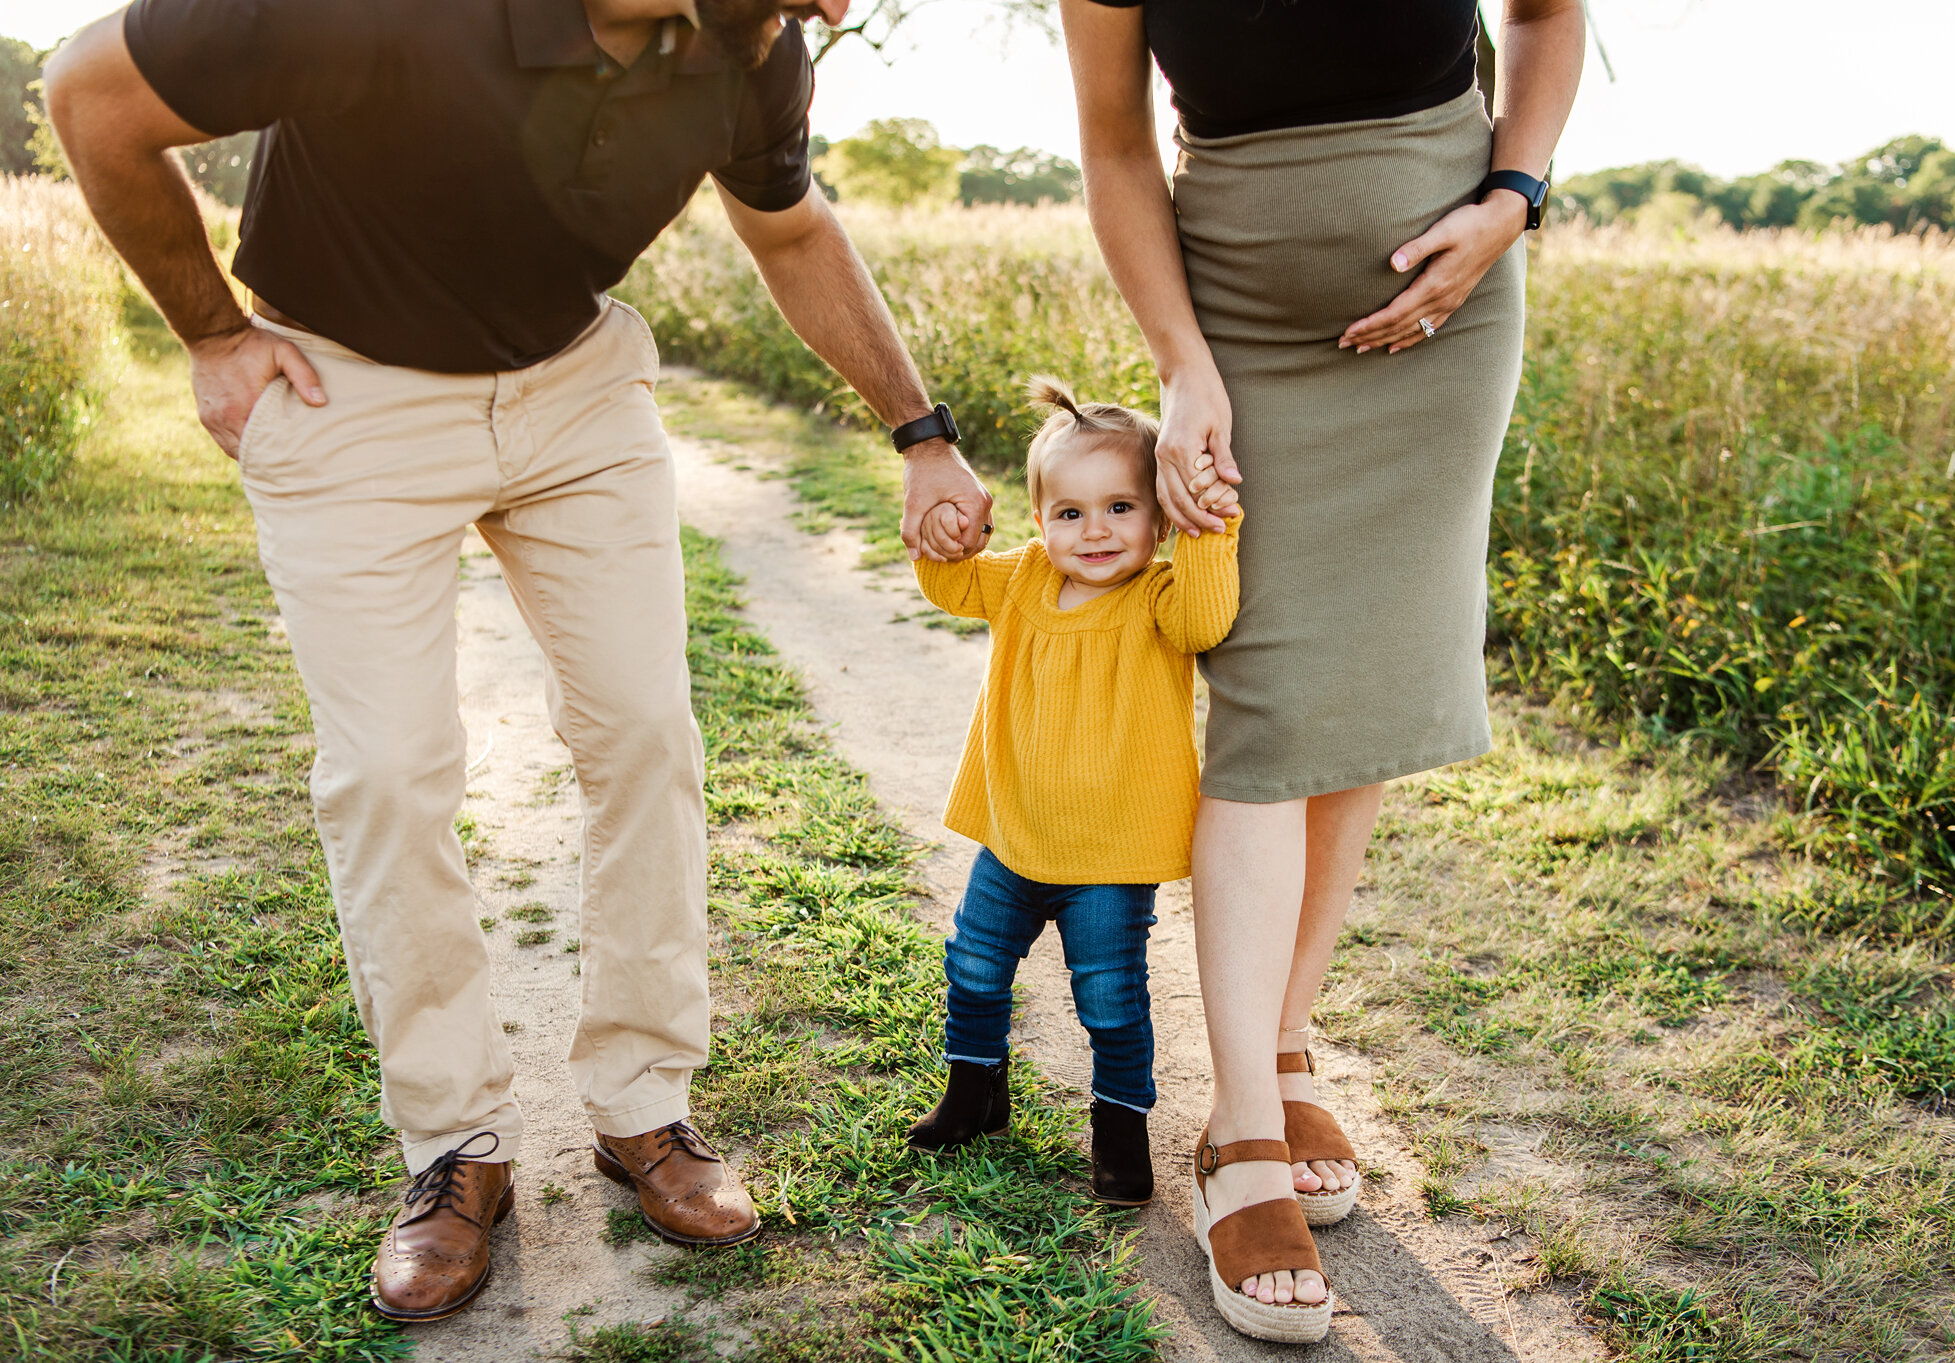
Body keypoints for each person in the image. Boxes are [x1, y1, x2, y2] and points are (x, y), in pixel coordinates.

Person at [44, 0, 994, 1324]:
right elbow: (91, 93)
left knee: (648, 734)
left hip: (573, 390)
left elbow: (789, 227)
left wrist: (921, 430)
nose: (818, 5)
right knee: (387, 770)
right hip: (345, 387)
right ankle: (453, 1146)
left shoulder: (748, 43)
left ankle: (642, 1104)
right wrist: (210, 328)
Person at [1060, 0, 1585, 1342]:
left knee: (1351, 696)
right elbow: (1118, 146)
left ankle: (1282, 1043)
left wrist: (1515, 197)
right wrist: (1183, 371)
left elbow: (1545, 14)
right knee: (1274, 697)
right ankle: (1236, 1127)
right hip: (1234, 317)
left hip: (1445, 314)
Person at [904, 378, 1239, 1208]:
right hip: (1014, 838)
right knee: (975, 965)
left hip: (1110, 855)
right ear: (1039, 520)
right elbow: (949, 586)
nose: (1095, 531)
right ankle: (975, 1091)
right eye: (1070, 513)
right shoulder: (1019, 578)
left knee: (1110, 997)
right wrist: (950, 531)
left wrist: (1209, 526)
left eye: (1121, 508)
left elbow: (1208, 621)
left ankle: (1120, 1125)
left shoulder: (1159, 595)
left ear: (1158, 516)